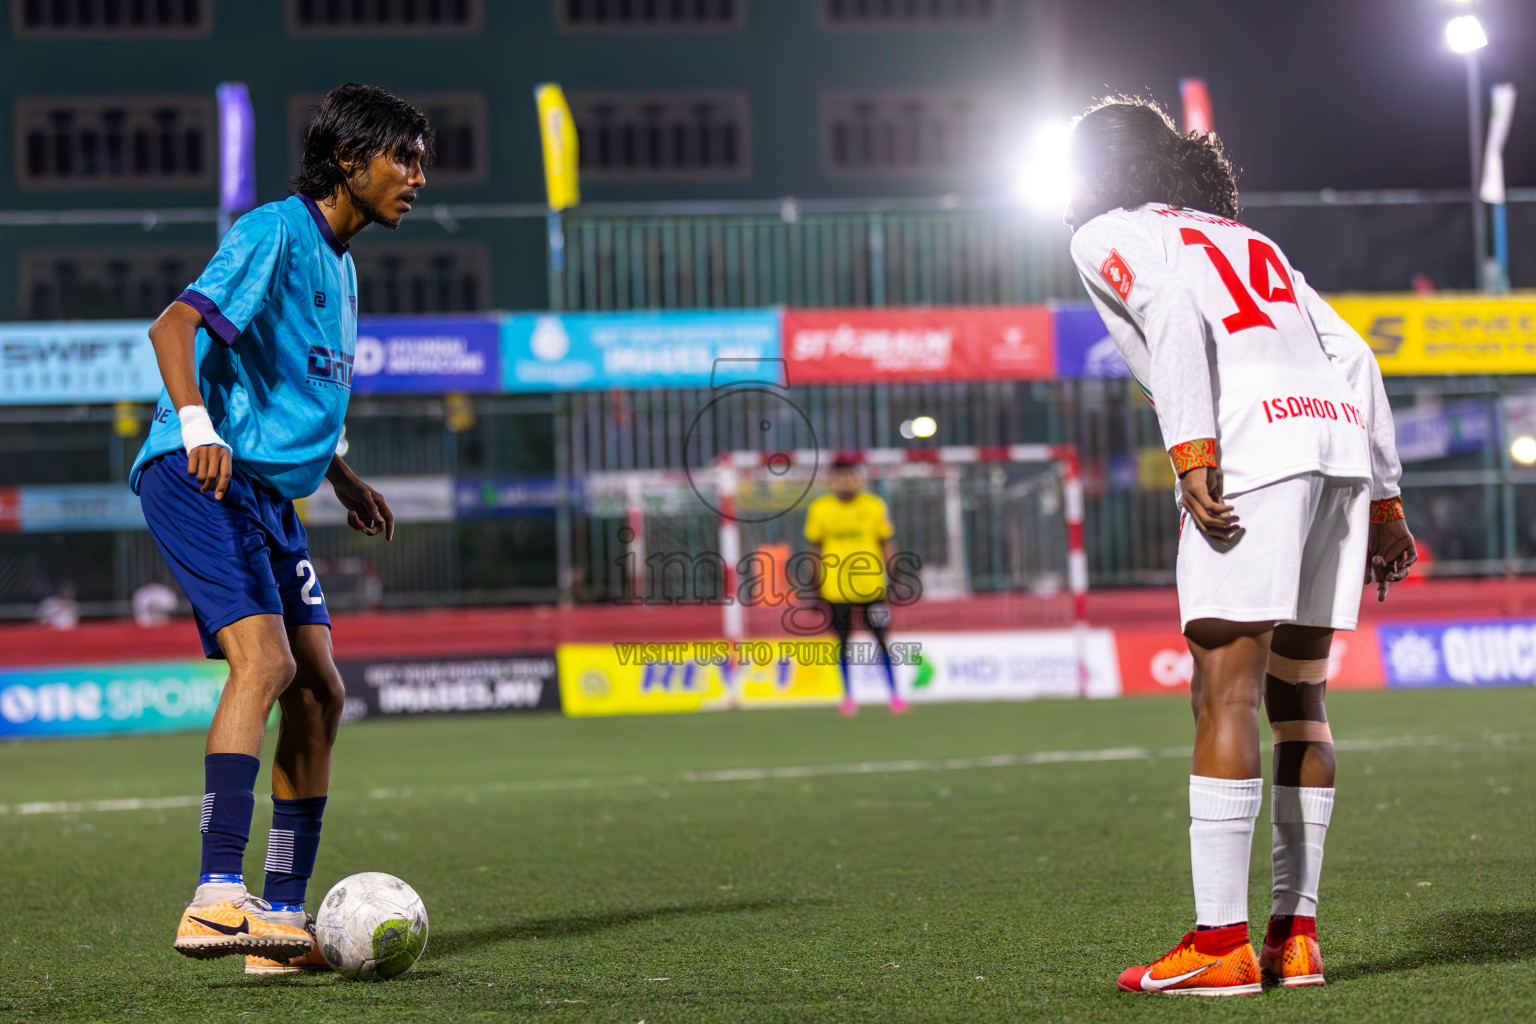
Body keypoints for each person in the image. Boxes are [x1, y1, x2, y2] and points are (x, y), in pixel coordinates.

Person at [1064, 98, 1415, 996]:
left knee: (1224, 690)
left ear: (1102, 172)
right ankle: (1294, 938)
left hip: (1252, 446)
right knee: (1300, 698)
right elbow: (1357, 356)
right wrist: (1384, 499)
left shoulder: (1111, 231)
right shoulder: (1244, 239)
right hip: (1335, 445)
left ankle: (1220, 946)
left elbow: (1175, 312)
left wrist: (1191, 452)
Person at [129, 83, 432, 973]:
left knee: (321, 691)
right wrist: (196, 425)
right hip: (201, 476)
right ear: (349, 159)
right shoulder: (274, 231)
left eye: (421, 162)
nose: (417, 178)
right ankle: (217, 897)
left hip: (271, 494)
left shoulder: (341, 264)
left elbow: (290, 387)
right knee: (268, 663)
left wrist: (339, 473)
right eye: (403, 159)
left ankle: (281, 922)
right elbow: (173, 325)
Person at [803, 454, 907, 716]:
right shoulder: (820, 509)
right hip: (835, 589)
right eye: (840, 476)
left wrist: (896, 575)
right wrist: (812, 584)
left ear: (858, 478)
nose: (846, 481)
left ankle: (894, 695)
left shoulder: (874, 506)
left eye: (850, 475)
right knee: (843, 643)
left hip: (873, 587)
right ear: (832, 480)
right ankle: (848, 697)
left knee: (882, 639)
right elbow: (814, 548)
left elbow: (887, 542)